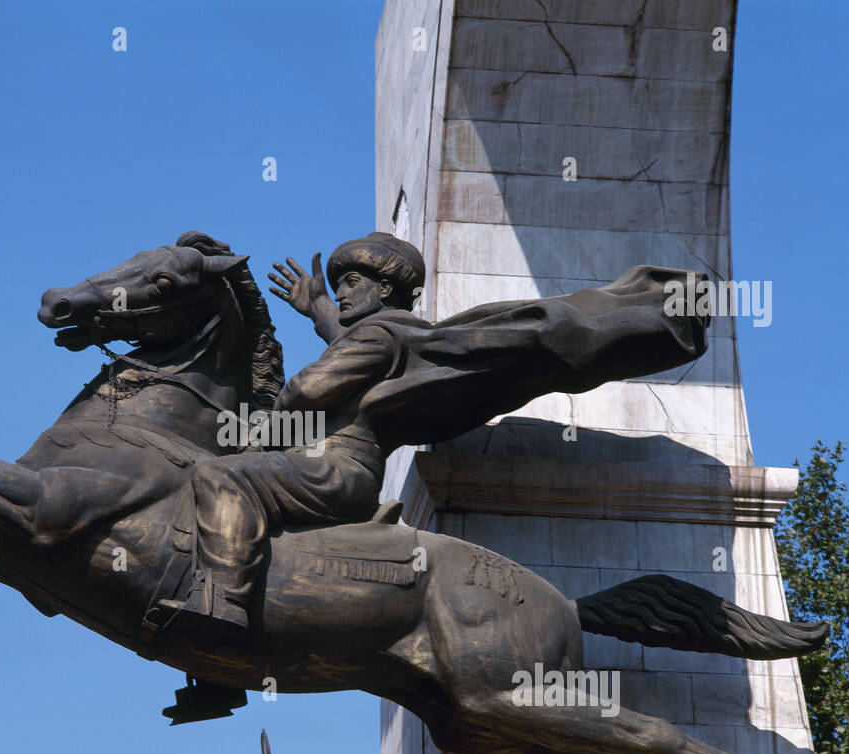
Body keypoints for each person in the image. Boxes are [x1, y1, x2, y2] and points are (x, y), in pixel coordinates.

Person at [157, 232, 709, 639]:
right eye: (340, 286)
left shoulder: (375, 336)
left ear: (385, 288)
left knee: (216, 474)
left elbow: (307, 390)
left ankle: (223, 605)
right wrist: (323, 314)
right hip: (337, 467)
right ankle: (216, 673)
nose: (342, 295)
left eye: (351, 284)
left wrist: (261, 419)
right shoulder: (388, 334)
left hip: (333, 471)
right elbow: (363, 349)